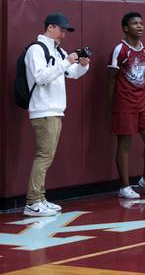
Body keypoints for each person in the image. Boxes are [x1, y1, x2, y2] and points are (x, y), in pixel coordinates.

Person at [23, 13, 90, 217]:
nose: (63, 34)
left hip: (54, 110)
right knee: (44, 156)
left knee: (47, 156)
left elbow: (72, 74)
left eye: (65, 31)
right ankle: (33, 202)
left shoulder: (58, 50)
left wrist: (83, 65)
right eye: (61, 30)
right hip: (43, 110)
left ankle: (40, 198)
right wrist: (66, 61)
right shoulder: (36, 49)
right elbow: (41, 77)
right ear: (50, 27)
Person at [109, 12, 145, 199]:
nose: (139, 26)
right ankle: (124, 186)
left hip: (142, 101)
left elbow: (141, 76)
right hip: (124, 102)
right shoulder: (120, 50)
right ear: (126, 27)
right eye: (135, 23)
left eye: (141, 23)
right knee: (125, 143)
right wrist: (113, 105)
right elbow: (111, 80)